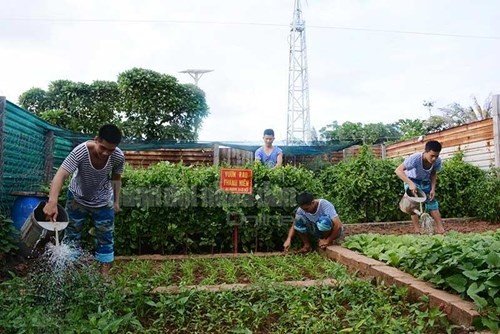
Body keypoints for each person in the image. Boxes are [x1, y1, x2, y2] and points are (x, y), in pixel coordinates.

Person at [43, 124, 125, 276]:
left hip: (103, 201)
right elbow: (60, 175)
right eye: (103, 148)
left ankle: (104, 277)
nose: (107, 153)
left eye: (111, 150)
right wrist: (52, 202)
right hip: (77, 198)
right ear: (96, 140)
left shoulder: (118, 156)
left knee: (106, 237)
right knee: (72, 235)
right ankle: (70, 273)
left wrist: (116, 202)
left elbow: (116, 178)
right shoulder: (80, 151)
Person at [395, 140, 446, 234]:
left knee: (432, 203)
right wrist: (410, 184)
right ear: (426, 151)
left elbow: (433, 173)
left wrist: (433, 188)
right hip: (412, 179)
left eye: (436, 156)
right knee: (413, 203)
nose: (434, 158)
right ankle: (417, 230)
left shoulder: (437, 161)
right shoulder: (415, 158)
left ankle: (440, 229)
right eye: (432, 155)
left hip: (425, 181)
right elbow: (398, 170)